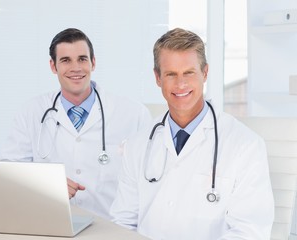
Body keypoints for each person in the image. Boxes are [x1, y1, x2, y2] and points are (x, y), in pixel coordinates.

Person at [110, 28, 274, 239]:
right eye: (171, 74)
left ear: (204, 73)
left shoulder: (246, 146)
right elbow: (123, 223)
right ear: (157, 77)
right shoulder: (138, 144)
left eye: (189, 72)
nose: (181, 84)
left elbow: (249, 232)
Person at [0, 28, 152, 219]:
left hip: (112, 227)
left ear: (93, 63)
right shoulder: (31, 112)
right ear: (53, 66)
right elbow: (7, 173)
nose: (76, 68)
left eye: (82, 59)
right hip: (51, 223)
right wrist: (46, 184)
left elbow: (150, 179)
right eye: (65, 60)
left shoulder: (133, 113)